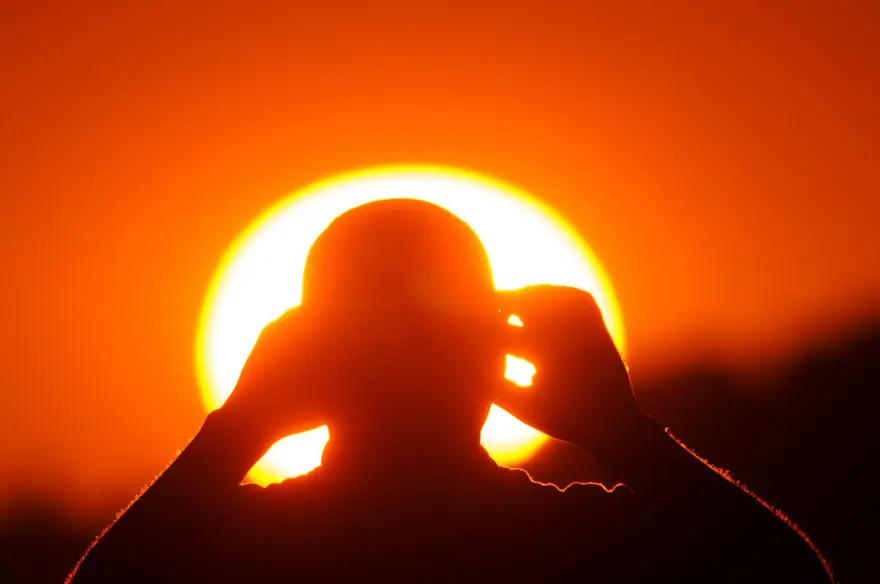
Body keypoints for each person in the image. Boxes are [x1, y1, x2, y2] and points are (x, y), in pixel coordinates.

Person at [69, 199, 832, 583]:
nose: (406, 359)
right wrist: (623, 433)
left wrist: (236, 434)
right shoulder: (577, 547)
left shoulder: (244, 552)